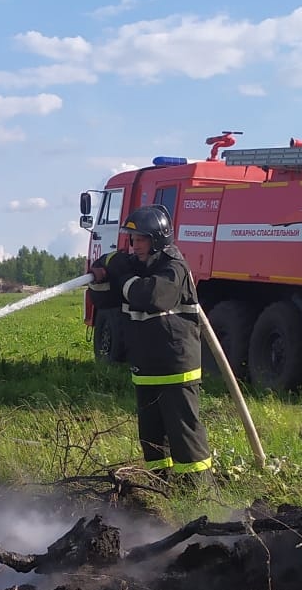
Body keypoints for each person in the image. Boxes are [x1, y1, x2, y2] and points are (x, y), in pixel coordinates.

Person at [88, 203, 212, 481]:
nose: (135, 246)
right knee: (152, 438)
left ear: (157, 240)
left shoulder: (173, 268)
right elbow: (107, 299)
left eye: (141, 239)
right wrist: (102, 273)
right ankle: (161, 486)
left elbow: (150, 297)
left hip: (175, 367)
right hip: (146, 368)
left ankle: (199, 490)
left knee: (184, 434)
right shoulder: (136, 267)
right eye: (132, 240)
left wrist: (122, 275)